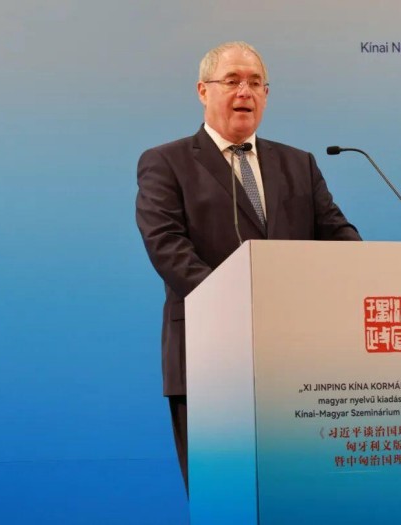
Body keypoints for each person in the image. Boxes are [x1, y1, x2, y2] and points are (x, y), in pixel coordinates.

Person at [135, 41, 360, 495]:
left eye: (256, 83)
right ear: (203, 90)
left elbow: (339, 237)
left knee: (301, 495)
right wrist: (242, 305)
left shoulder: (298, 163)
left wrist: (362, 272)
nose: (245, 92)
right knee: (224, 497)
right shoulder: (166, 162)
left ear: (267, 95)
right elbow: (168, 248)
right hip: (210, 355)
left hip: (299, 364)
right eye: (232, 81)